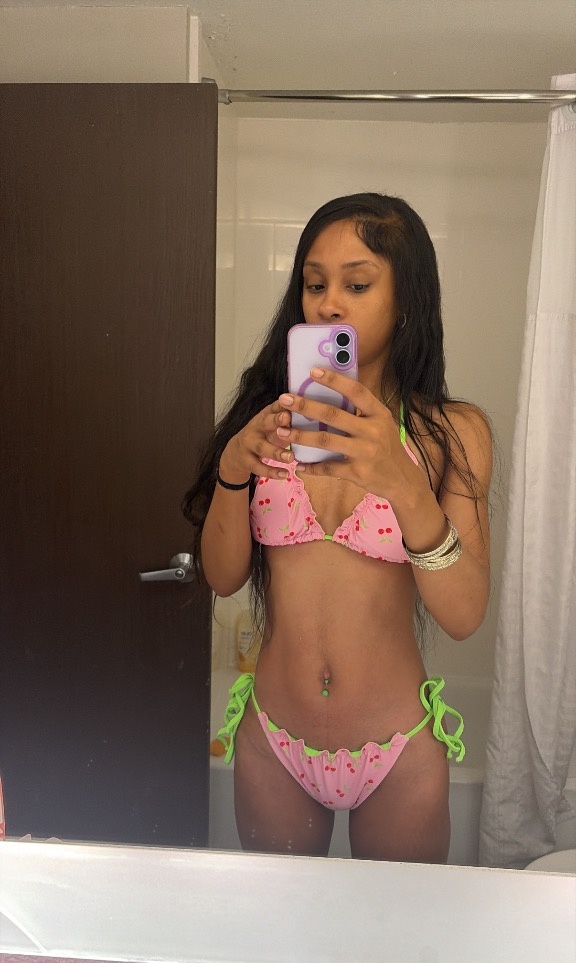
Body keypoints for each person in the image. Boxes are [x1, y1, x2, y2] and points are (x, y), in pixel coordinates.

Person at [183, 193, 492, 863]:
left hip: (396, 748)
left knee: (396, 930)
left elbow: (465, 614)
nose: (328, 304)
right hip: (276, 739)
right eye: (314, 284)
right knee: (283, 927)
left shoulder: (451, 433)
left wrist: (403, 482)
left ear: (405, 301)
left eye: (357, 284)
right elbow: (223, 577)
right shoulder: (268, 421)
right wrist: (233, 470)